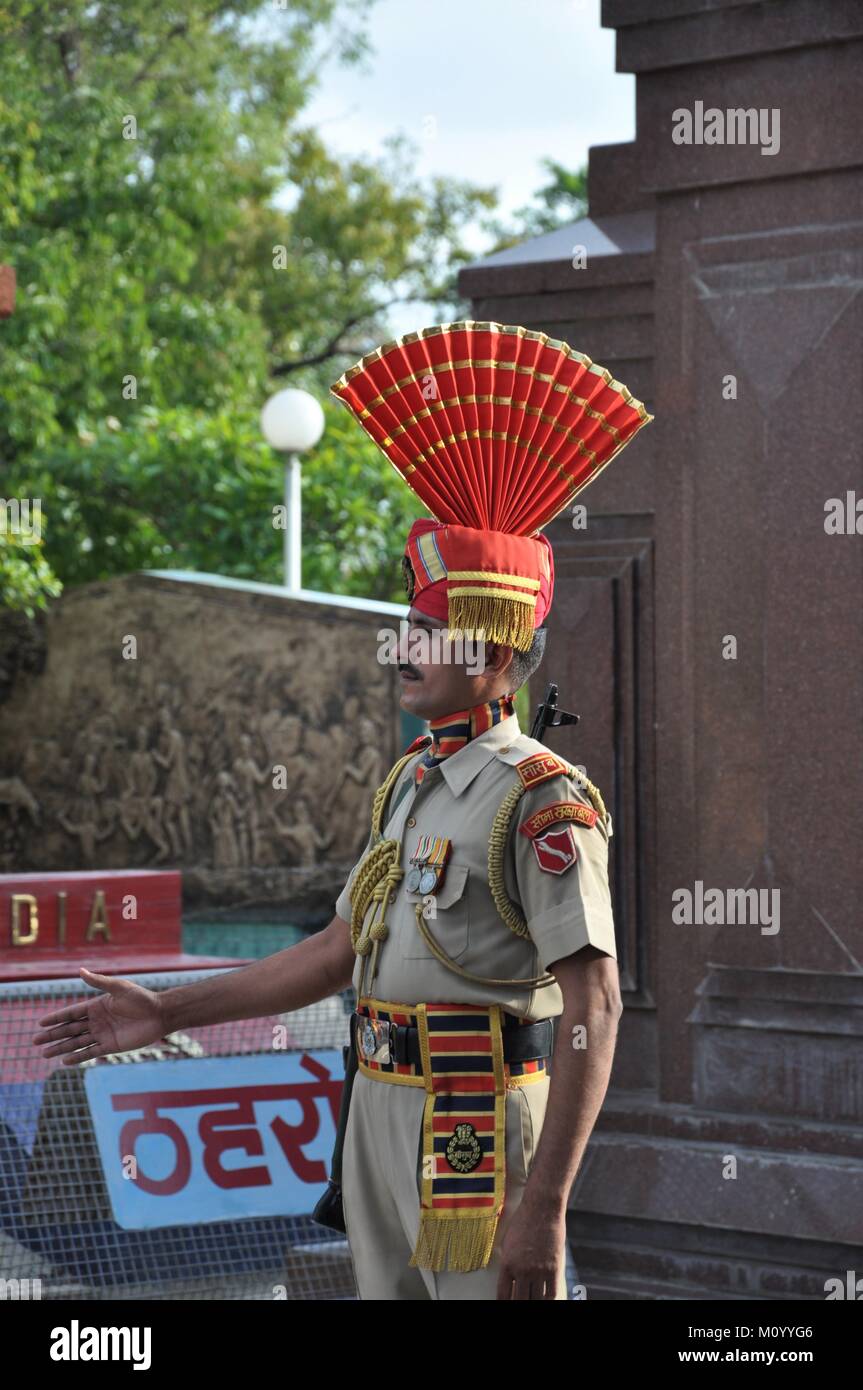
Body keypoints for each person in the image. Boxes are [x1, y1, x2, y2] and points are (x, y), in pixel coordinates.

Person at [30, 320, 651, 1301]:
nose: (400, 645)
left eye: (423, 628)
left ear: (490, 655)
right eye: (404, 622)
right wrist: (166, 1008)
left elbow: (596, 1007)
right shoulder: (410, 782)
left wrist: (547, 1210)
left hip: (476, 1126)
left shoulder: (540, 800)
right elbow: (332, 954)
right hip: (375, 1115)